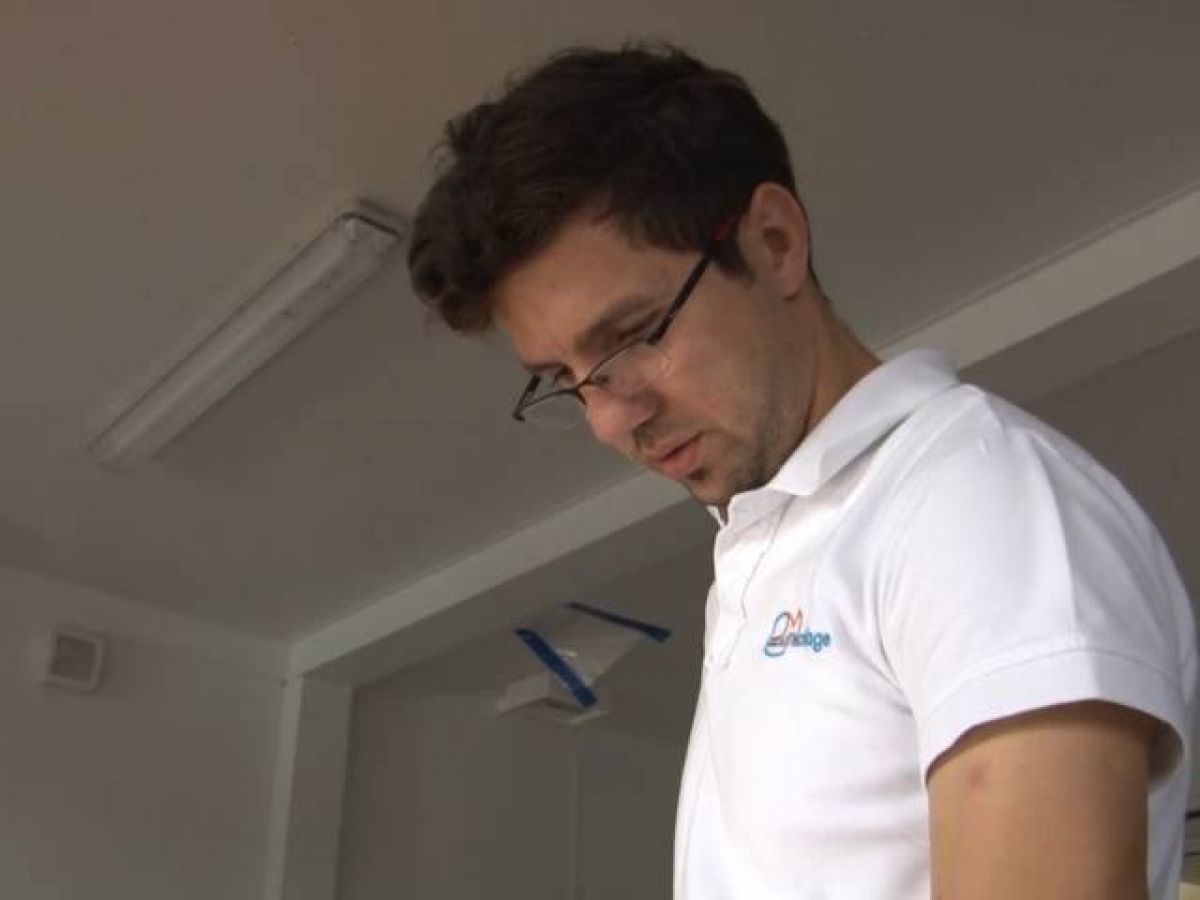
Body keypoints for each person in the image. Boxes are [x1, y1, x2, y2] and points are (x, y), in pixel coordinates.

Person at [406, 43, 1197, 899]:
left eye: (632, 336)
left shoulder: (977, 500)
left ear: (774, 242)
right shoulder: (768, 554)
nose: (608, 418)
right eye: (566, 379)